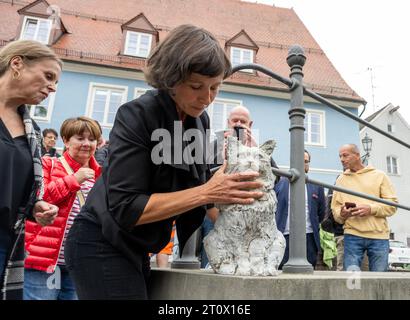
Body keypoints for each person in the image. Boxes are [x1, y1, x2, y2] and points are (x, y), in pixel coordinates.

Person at [64, 24, 264, 300]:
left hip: (137, 247)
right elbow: (127, 208)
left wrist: (245, 219)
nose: (206, 98)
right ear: (171, 78)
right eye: (196, 86)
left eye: (215, 88)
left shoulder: (199, 120)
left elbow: (205, 191)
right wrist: (209, 191)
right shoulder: (136, 114)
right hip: (99, 240)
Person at [0, 40, 60, 299]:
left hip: (6, 243)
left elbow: (17, 188)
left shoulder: (32, 131)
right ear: (17, 63)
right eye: (48, 76)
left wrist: (36, 207)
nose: (53, 87)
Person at [23, 116, 102, 300]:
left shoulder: (101, 175)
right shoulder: (48, 164)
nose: (87, 144)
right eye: (80, 138)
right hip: (44, 259)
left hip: (80, 261)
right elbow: (38, 200)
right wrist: (74, 180)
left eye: (91, 139)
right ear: (66, 141)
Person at [200, 105, 280, 268]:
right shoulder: (214, 146)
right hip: (217, 211)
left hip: (251, 217)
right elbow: (202, 178)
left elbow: (275, 178)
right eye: (234, 120)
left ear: (250, 125)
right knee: (217, 259)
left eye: (242, 121)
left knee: (247, 260)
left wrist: (255, 147)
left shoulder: (256, 148)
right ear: (228, 123)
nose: (238, 124)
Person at [331, 144, 397, 272]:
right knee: (352, 281)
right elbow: (336, 212)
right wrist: (343, 213)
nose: (342, 159)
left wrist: (371, 209)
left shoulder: (379, 175)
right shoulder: (341, 180)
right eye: (340, 156)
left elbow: (393, 205)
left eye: (345, 155)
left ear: (357, 155)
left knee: (379, 282)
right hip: (352, 235)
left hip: (379, 236)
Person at [275, 150, 326, 269]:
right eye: (299, 161)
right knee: (282, 272)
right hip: (284, 237)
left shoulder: (316, 186)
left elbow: (321, 213)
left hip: (308, 238)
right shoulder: (280, 184)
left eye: (306, 162)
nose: (303, 165)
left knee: (308, 273)